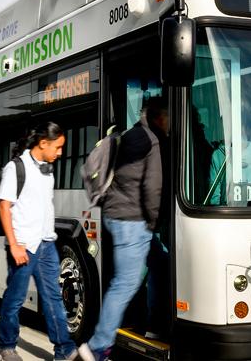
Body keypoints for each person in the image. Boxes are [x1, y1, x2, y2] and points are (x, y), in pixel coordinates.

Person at [79, 99, 169, 361]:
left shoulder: (128, 135)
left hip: (117, 215)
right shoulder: (150, 140)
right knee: (125, 284)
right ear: (158, 117)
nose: (169, 122)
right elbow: (153, 188)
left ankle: (154, 325)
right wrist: (155, 222)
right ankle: (96, 347)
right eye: (167, 116)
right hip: (133, 221)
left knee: (159, 261)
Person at [0, 122, 78, 361]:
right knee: (16, 298)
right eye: (58, 147)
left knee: (53, 297)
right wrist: (14, 244)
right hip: (23, 245)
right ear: (43, 143)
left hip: (46, 243)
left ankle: (64, 349)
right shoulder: (16, 168)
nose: (61, 153)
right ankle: (6, 346)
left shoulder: (47, 170)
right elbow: (4, 206)